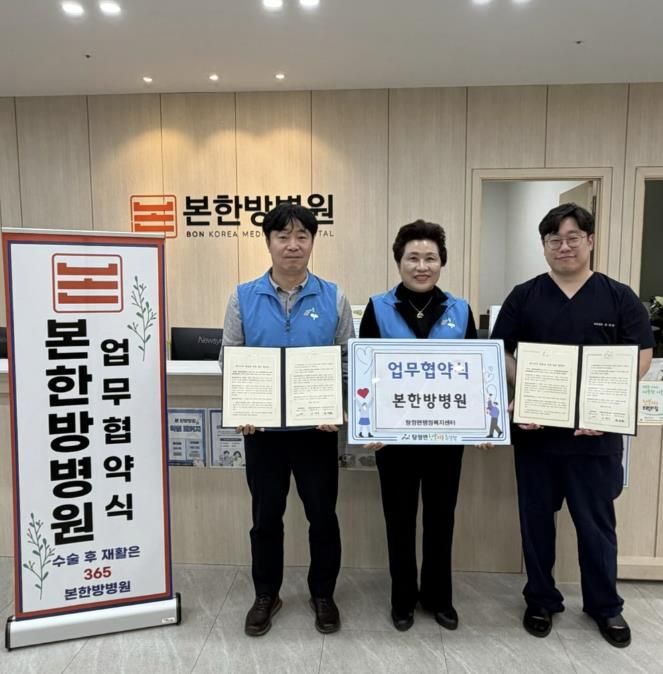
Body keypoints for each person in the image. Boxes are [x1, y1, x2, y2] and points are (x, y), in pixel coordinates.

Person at [491, 203, 654, 649]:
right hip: (537, 434)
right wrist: (525, 388)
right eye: (554, 239)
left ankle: (605, 606)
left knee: (596, 525)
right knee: (536, 523)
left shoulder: (619, 296)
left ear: (590, 240)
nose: (564, 247)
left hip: (596, 439)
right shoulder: (525, 295)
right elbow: (501, 351)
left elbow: (641, 355)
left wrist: (605, 404)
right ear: (543, 245)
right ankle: (541, 600)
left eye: (573, 238)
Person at [221, 203, 354, 636]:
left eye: (302, 236)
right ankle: (266, 594)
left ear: (313, 241)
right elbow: (229, 357)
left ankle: (323, 594)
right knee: (265, 518)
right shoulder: (243, 296)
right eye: (283, 236)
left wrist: (337, 405)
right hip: (263, 432)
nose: (292, 245)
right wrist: (242, 406)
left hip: (317, 430)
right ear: (269, 242)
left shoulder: (333, 296)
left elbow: (347, 361)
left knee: (323, 516)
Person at [359, 220, 477, 632]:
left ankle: (439, 598)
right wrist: (368, 426)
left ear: (442, 262)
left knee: (442, 520)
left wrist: (484, 423)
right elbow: (365, 371)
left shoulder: (460, 310)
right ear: (399, 262)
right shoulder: (378, 307)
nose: (422, 266)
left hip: (446, 436)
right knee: (399, 520)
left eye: (430, 258)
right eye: (413, 258)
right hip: (394, 440)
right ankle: (403, 599)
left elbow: (475, 375)